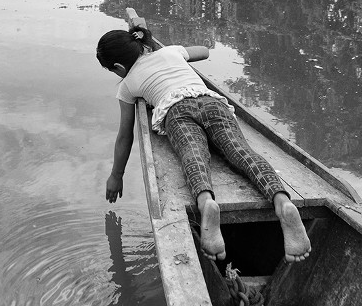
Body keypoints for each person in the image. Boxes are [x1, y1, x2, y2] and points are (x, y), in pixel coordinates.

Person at [98, 22, 311, 263]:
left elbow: (125, 135)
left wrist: (116, 175)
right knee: (241, 152)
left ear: (118, 67)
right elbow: (204, 51)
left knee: (193, 156)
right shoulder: (170, 52)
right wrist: (167, 51)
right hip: (212, 103)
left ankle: (207, 202)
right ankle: (283, 203)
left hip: (177, 111)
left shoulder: (127, 86)